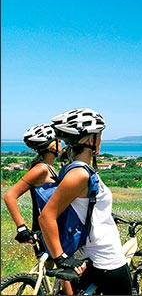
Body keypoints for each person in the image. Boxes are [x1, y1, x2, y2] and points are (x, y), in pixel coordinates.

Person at [39, 108, 132, 295]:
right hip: (107, 259)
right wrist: (61, 258)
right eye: (100, 135)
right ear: (91, 140)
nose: (101, 139)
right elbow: (46, 216)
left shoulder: (75, 169)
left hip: (91, 254)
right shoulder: (80, 174)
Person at [2, 123, 76, 294]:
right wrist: (21, 227)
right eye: (59, 141)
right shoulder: (41, 169)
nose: (61, 144)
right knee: (66, 273)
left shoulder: (48, 166)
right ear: (51, 145)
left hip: (52, 227)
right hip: (49, 230)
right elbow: (9, 195)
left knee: (53, 271)